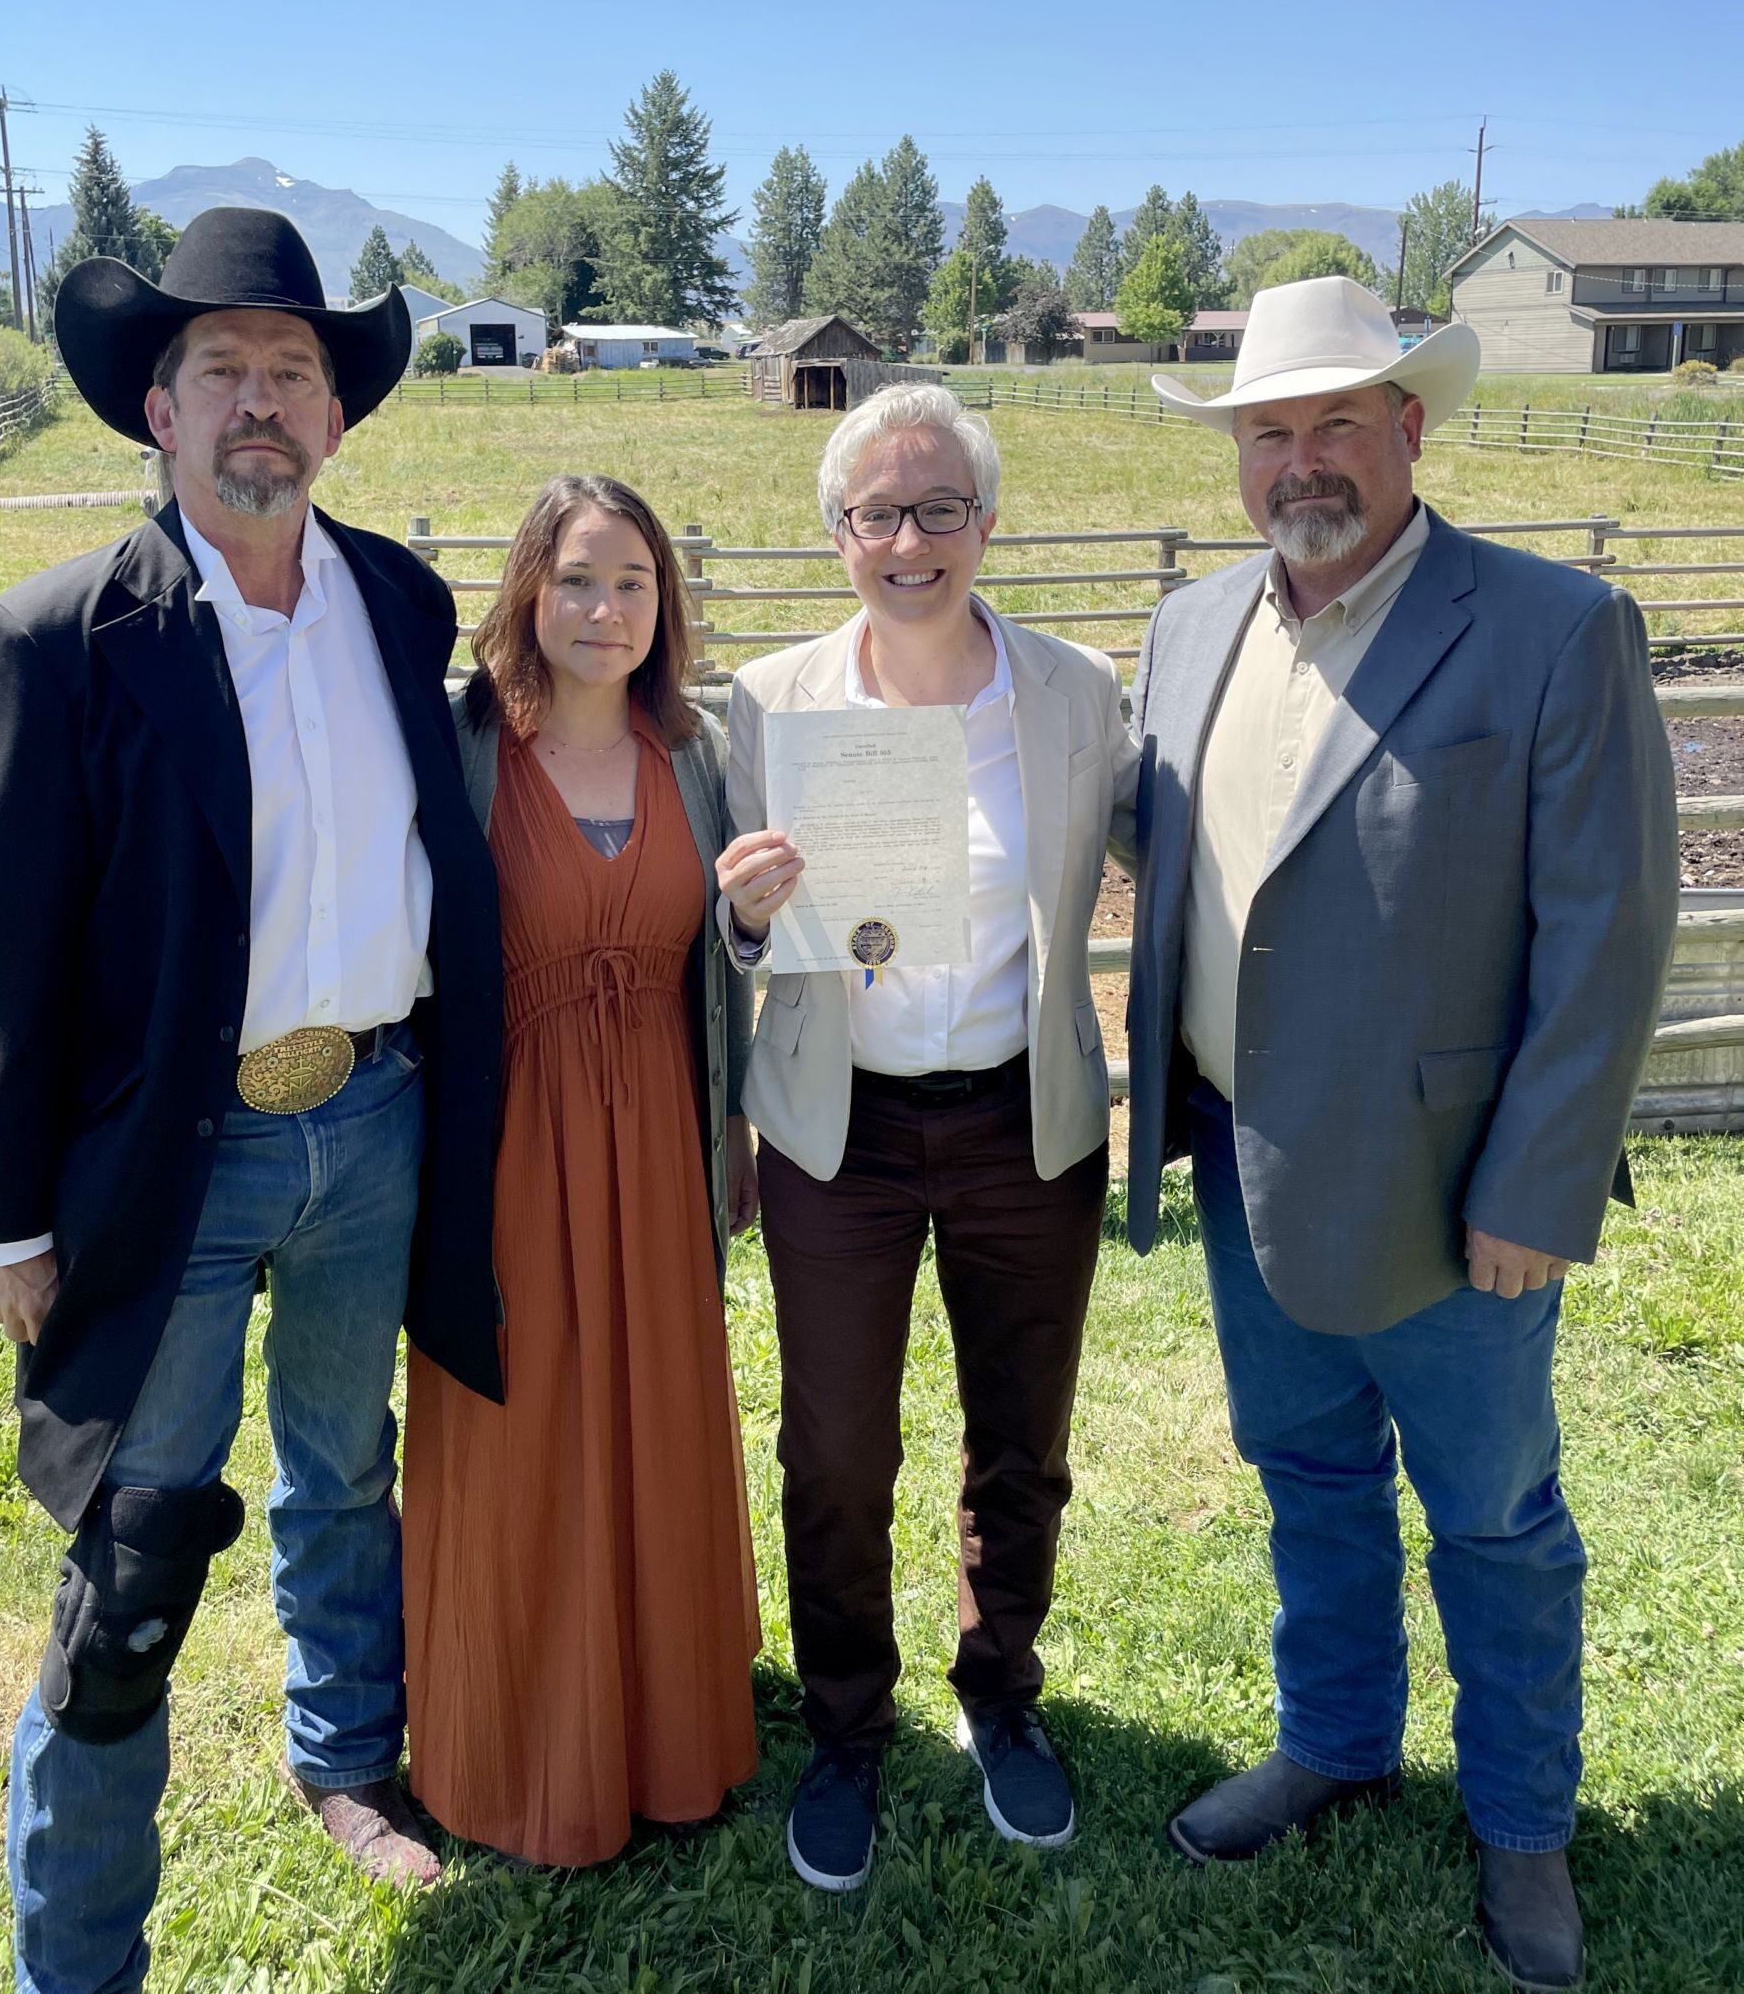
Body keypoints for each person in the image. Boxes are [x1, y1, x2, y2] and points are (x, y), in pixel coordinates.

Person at [0, 208, 505, 1994]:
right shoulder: (63, 635)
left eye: (294, 374)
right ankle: (79, 1953)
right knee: (135, 1546)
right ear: (158, 416)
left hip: (375, 1117)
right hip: (164, 1164)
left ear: (338, 418)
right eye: (223, 375)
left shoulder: (403, 601)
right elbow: (14, 948)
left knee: (346, 1470)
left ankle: (342, 1757)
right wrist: (8, 1216)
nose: (261, 404)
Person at [1124, 277, 1679, 1993]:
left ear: (1410, 429)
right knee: (1306, 1479)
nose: (1302, 460)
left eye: (1336, 424)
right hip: (1243, 1156)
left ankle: (1523, 1829)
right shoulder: (1191, 625)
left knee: (1498, 1521)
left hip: (1455, 1196)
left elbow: (1609, 934)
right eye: (1269, 430)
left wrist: (1537, 1183)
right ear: (1236, 454)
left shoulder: (1548, 625)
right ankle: (1336, 1737)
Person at [718, 383, 1140, 1893]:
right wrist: (745, 914)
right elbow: (719, 944)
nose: (910, 538)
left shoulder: (1077, 693)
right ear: (838, 533)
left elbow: (1184, 852)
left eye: (938, 506)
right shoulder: (763, 706)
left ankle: (998, 1688)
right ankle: (844, 1722)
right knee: (834, 1443)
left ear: (986, 520)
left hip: (1025, 1120)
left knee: (1019, 1438)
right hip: (844, 1133)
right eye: (877, 512)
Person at [401, 473, 761, 1867]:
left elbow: (722, 958)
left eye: (630, 582)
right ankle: (516, 1739)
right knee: (520, 1430)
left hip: (661, 1143)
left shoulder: (699, 753)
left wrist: (740, 952)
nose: (603, 608)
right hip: (506, 1150)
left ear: (661, 604)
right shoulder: (465, 746)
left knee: (657, 1414)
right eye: (575, 578)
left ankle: (666, 1723)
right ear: (527, 592)